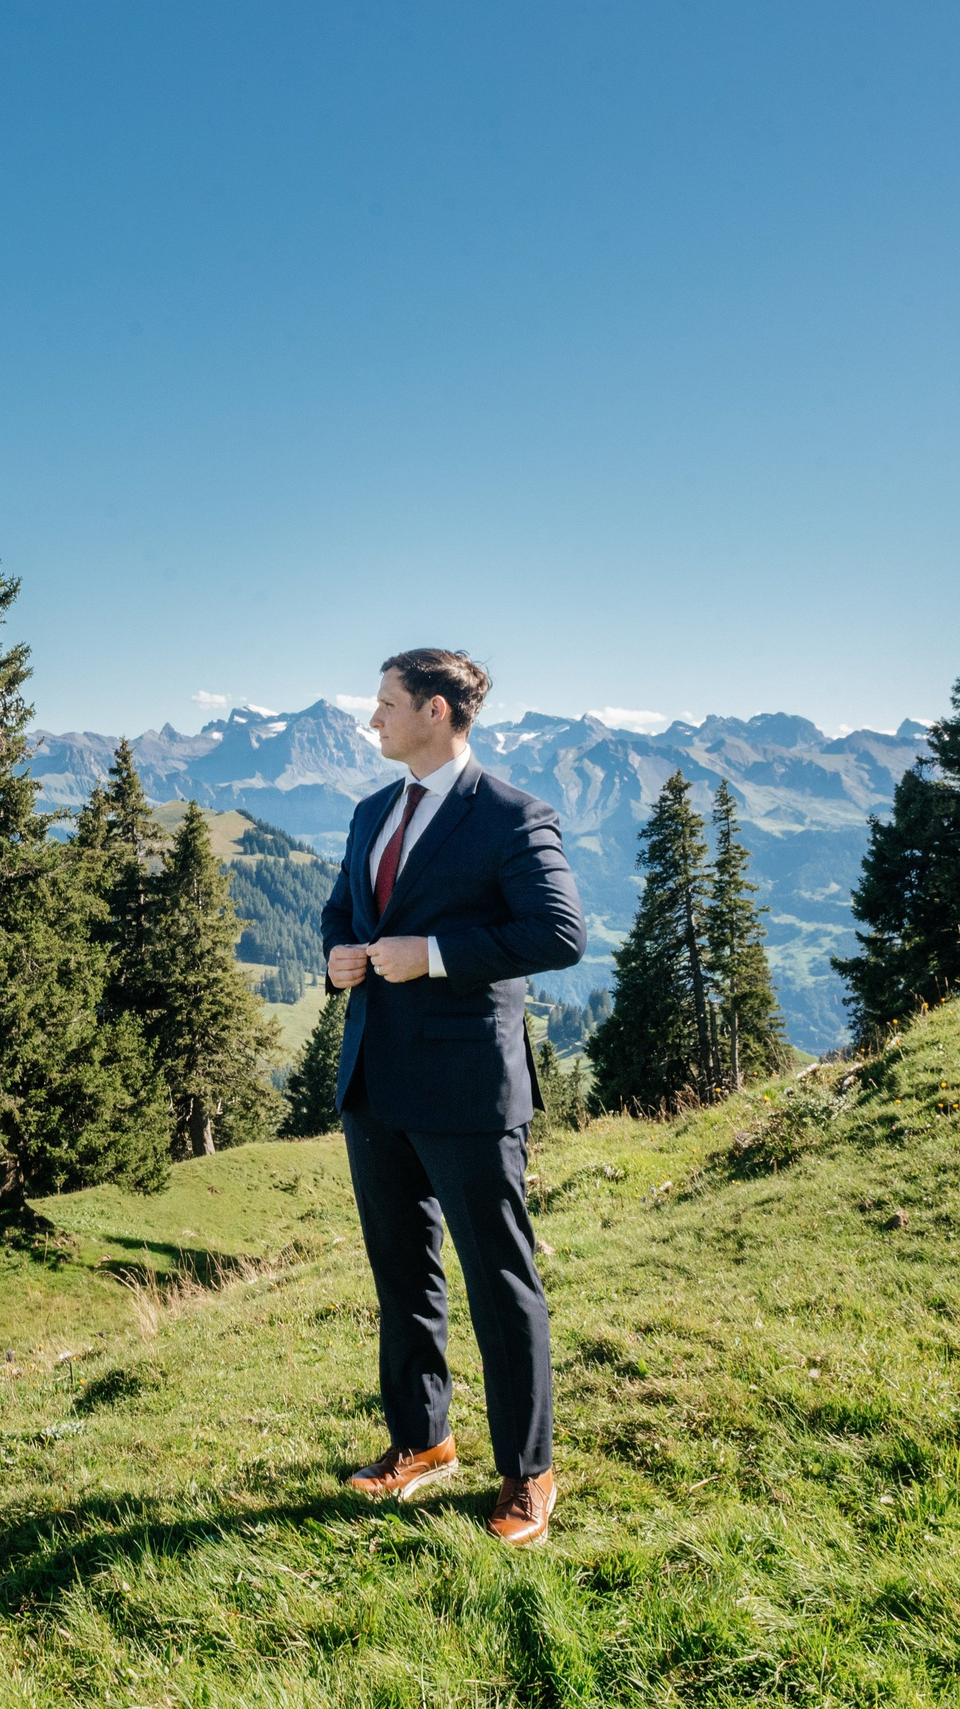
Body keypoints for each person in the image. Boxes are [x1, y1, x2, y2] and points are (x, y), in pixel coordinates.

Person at [320, 648, 585, 1545]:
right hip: (376, 1084)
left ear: (437, 711)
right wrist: (339, 956)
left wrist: (430, 952)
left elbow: (558, 931)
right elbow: (340, 911)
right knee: (403, 1276)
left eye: (386, 704)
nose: (373, 720)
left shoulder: (511, 815)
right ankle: (422, 1442)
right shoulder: (369, 813)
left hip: (470, 1087)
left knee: (499, 1281)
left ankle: (529, 1472)